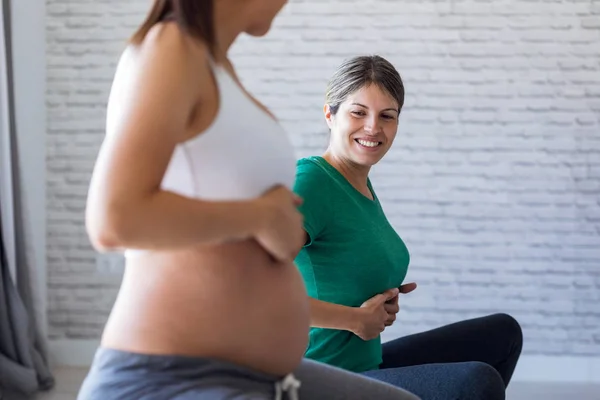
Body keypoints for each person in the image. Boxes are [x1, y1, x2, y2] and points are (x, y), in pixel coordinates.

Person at [76, 1, 421, 399]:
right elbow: (115, 219)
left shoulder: (217, 67)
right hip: (174, 368)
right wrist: (259, 216)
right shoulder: (171, 47)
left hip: (253, 368)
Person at [293, 55, 524, 400]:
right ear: (330, 114)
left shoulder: (359, 184)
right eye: (358, 112)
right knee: (476, 382)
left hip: (364, 365)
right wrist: (355, 319)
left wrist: (380, 295)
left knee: (501, 334)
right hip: (318, 380)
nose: (373, 127)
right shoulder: (310, 182)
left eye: (387, 116)